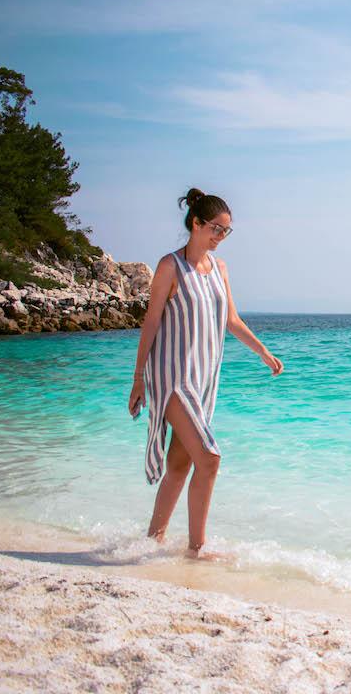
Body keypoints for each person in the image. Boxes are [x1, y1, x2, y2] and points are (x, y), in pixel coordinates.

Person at [127, 188, 284, 559]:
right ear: (195, 224)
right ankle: (197, 548)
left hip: (204, 379)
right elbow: (150, 323)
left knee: (181, 465)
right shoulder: (170, 266)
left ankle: (152, 542)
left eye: (226, 232)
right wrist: (138, 378)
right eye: (216, 229)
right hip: (173, 378)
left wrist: (263, 351)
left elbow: (230, 319)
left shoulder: (219, 269)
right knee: (210, 458)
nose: (220, 238)